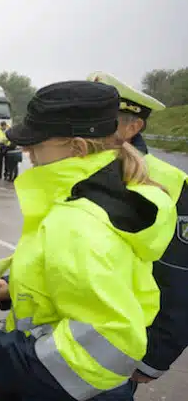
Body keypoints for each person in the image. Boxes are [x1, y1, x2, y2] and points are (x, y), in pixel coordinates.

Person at [0, 80, 177, 401]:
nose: (27, 152)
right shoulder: (109, 195)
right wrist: (14, 286)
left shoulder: (77, 221)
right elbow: (89, 284)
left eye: (36, 144)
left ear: (76, 148)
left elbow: (105, 343)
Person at [87, 72, 188, 390]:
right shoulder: (73, 164)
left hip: (114, 349)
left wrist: (154, 358)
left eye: (98, 119)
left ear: (133, 127)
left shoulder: (169, 184)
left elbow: (179, 279)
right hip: (52, 338)